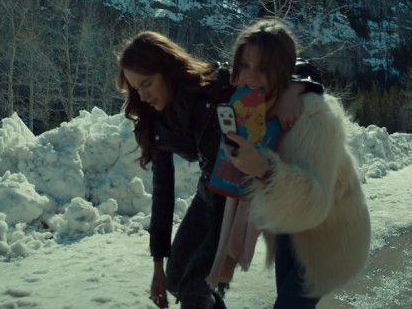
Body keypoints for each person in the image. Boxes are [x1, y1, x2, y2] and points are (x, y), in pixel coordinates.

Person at [116, 31, 322, 309]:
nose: (143, 96)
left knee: (195, 288)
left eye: (147, 83)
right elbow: (162, 194)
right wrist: (157, 265)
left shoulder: (213, 84)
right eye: (135, 88)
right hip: (208, 194)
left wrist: (294, 89)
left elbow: (294, 64)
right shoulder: (155, 124)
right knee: (175, 281)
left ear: (167, 71)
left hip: (238, 201)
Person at [222, 19, 371, 308]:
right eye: (244, 65)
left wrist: (264, 170)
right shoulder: (254, 107)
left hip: (331, 239)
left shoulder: (314, 117)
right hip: (289, 231)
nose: (250, 78)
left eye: (263, 68)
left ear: (282, 71)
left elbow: (316, 204)